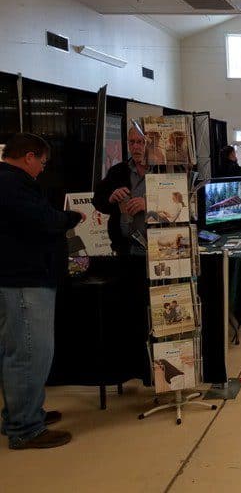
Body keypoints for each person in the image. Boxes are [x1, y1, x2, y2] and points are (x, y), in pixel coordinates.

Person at [0, 133, 82, 449]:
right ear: (29, 157)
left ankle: (21, 414)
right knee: (30, 354)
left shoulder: (13, 183)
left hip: (24, 279)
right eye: (42, 163)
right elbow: (41, 220)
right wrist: (69, 218)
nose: (42, 170)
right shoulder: (11, 184)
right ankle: (25, 428)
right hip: (25, 281)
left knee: (22, 352)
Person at [93, 125, 150, 255]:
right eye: (132, 142)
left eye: (140, 142)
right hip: (125, 249)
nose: (135, 147)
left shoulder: (163, 171)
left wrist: (149, 205)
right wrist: (111, 198)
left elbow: (179, 205)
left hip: (158, 249)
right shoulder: (117, 171)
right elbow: (97, 200)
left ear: (150, 144)